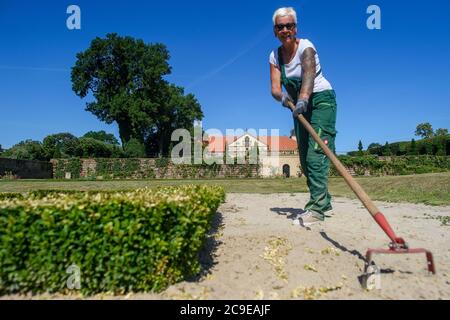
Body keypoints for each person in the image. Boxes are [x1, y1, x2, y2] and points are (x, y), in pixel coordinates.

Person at [269, 7, 337, 226]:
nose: (286, 30)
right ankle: (323, 201)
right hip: (297, 106)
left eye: (289, 25)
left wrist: (303, 99)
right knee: (305, 157)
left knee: (316, 154)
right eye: (281, 27)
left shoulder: (306, 47)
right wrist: (287, 102)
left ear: (295, 28)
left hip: (320, 101)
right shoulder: (274, 56)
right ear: (275, 31)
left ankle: (317, 210)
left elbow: (308, 76)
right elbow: (276, 88)